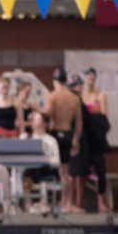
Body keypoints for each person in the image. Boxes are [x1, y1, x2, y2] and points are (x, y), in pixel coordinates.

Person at [42, 69, 83, 214]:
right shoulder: (74, 98)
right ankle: (67, 204)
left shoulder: (52, 96)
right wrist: (76, 141)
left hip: (54, 135)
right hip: (68, 135)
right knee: (66, 172)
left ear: (54, 81)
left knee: (48, 171)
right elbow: (79, 124)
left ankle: (44, 202)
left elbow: (47, 118)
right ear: (66, 81)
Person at [67, 74, 109, 214]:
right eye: (87, 79)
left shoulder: (100, 96)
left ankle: (101, 202)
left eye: (92, 79)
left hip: (94, 138)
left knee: (99, 171)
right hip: (82, 138)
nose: (89, 82)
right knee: (79, 171)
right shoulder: (74, 99)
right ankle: (77, 202)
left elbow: (104, 120)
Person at [19, 110, 62, 212]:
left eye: (38, 120)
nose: (34, 122)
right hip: (28, 168)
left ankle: (43, 201)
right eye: (33, 120)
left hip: (45, 168)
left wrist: (44, 159)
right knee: (27, 171)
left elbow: (57, 161)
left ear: (45, 124)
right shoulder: (24, 138)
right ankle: (28, 202)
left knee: (41, 169)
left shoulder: (50, 140)